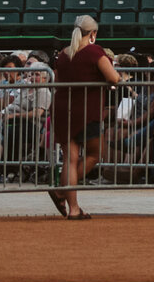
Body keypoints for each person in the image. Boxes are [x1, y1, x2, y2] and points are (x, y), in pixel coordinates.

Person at [48, 13, 122, 218]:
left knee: (70, 159)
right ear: (93, 33)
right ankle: (61, 191)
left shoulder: (63, 53)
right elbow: (113, 77)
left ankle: (72, 207)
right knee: (95, 153)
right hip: (86, 110)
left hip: (63, 108)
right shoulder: (94, 51)